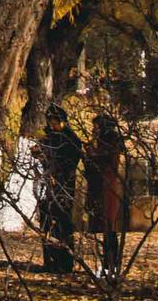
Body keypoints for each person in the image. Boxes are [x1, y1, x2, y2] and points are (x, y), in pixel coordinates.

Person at [37, 101, 82, 275]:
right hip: (47, 184)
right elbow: (43, 154)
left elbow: (73, 157)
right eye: (50, 121)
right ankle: (50, 261)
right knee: (47, 221)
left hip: (64, 184)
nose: (53, 125)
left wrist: (59, 169)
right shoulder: (47, 137)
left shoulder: (70, 138)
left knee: (63, 222)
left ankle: (65, 262)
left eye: (56, 121)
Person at [86, 110, 127, 277]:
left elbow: (104, 162)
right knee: (107, 229)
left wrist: (91, 153)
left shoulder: (110, 143)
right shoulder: (109, 142)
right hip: (106, 185)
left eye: (96, 127)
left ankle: (112, 264)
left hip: (108, 186)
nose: (93, 130)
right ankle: (109, 264)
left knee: (109, 228)